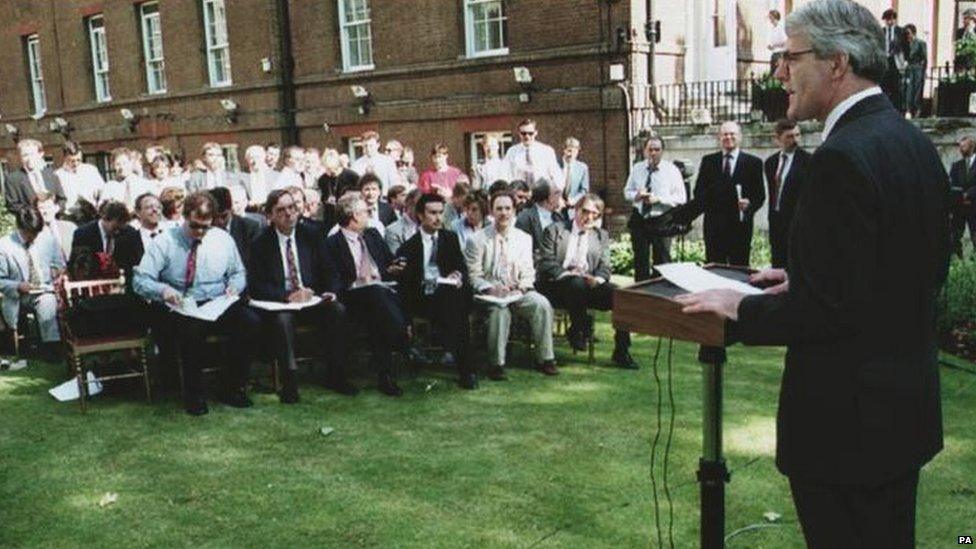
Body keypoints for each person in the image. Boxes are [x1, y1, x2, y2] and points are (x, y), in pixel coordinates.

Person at [675, 2, 948, 545]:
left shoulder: (841, 158)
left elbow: (826, 313)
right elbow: (899, 275)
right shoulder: (911, 142)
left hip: (846, 431)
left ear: (836, 63)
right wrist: (803, 278)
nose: (779, 73)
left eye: (789, 57)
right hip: (902, 415)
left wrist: (741, 307)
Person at [133, 191, 260, 416]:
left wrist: (235, 287)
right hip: (182, 303)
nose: (200, 233)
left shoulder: (222, 239)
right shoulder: (164, 241)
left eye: (206, 227)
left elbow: (239, 272)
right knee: (191, 330)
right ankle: (194, 393)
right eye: (195, 226)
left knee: (250, 322)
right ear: (184, 215)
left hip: (218, 300)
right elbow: (140, 280)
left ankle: (232, 386)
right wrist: (164, 290)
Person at [248, 189, 354, 402]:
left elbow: (330, 271)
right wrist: (287, 295)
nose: (289, 214)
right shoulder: (261, 243)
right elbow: (256, 285)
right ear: (269, 215)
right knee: (283, 320)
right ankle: (289, 380)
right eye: (281, 210)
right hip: (282, 305)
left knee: (338, 310)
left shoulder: (312, 236)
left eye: (292, 208)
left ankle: (337, 374)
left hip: (312, 300)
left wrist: (330, 292)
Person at [537, 194, 637, 368]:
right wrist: (567, 274)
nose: (589, 217)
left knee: (622, 295)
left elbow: (605, 267)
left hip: (587, 286)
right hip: (558, 286)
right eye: (585, 211)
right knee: (576, 283)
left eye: (595, 214)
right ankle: (581, 327)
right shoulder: (555, 229)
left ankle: (621, 351)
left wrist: (597, 280)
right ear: (576, 210)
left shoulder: (601, 236)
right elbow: (546, 262)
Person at [323, 194, 409, 397]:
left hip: (381, 293)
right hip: (352, 294)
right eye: (366, 212)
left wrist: (396, 266)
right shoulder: (332, 244)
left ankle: (385, 376)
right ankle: (402, 336)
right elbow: (332, 276)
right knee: (377, 295)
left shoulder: (372, 235)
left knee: (379, 305)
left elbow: (388, 264)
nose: (370, 214)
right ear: (353, 216)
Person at [465, 191, 557, 379]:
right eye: (499, 209)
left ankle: (546, 358)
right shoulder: (477, 240)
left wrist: (521, 288)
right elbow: (473, 276)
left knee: (542, 304)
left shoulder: (524, 238)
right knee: (500, 311)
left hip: (517, 291)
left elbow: (528, 271)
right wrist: (491, 289)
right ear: (491, 211)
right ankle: (496, 364)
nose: (503, 213)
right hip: (489, 294)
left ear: (514, 211)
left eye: (508, 208)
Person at [395, 193, 478, 389]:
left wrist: (457, 275)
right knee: (455, 309)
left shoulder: (450, 239)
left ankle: (466, 370)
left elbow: (460, 267)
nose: (438, 218)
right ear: (421, 215)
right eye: (432, 213)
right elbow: (406, 284)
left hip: (447, 296)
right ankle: (457, 358)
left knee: (456, 299)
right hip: (422, 298)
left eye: (441, 212)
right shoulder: (409, 246)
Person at [690, 121, 765, 266]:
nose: (728, 137)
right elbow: (698, 191)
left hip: (740, 227)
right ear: (719, 137)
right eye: (724, 134)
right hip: (714, 227)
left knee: (739, 269)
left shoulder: (753, 163)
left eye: (732, 134)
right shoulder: (708, 161)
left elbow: (759, 196)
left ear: (740, 137)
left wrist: (749, 205)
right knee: (714, 269)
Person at [0, 207, 64, 357]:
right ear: (20, 228)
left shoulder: (48, 239)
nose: (34, 237)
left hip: (44, 289)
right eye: (30, 233)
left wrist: (56, 270)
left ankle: (51, 347)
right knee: (43, 301)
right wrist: (17, 286)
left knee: (47, 301)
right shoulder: (4, 246)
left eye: (36, 233)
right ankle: (23, 347)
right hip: (17, 295)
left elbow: (59, 263)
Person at [623, 136, 687, 281]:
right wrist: (637, 196)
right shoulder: (638, 168)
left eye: (657, 149)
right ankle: (641, 296)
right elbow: (627, 192)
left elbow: (681, 197)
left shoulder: (671, 170)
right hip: (640, 218)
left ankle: (660, 296)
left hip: (662, 220)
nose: (653, 153)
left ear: (662, 151)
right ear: (645, 151)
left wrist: (659, 199)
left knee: (663, 261)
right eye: (650, 149)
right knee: (640, 260)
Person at [763, 119, 810, 268]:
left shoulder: (808, 161)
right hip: (776, 221)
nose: (795, 140)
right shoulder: (770, 163)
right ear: (777, 139)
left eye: (797, 135)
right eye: (789, 137)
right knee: (777, 263)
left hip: (797, 222)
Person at [69, 201, 144, 285]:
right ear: (105, 218)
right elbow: (78, 268)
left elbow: (134, 263)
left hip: (120, 285)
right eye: (115, 228)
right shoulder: (83, 234)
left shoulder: (128, 233)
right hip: (93, 285)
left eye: (121, 228)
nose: (117, 232)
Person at [5, 139, 66, 214]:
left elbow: (62, 199)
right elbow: (12, 205)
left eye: (32, 154)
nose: (29, 158)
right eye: (25, 155)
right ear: (20, 157)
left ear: (40, 154)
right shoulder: (13, 179)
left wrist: (55, 209)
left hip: (55, 221)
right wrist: (37, 210)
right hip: (31, 223)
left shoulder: (51, 174)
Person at [503, 119, 562, 190]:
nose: (527, 136)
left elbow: (556, 175)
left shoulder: (546, 151)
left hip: (541, 192)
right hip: (519, 193)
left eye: (530, 133)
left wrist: (557, 193)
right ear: (519, 133)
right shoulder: (512, 152)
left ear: (536, 133)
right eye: (523, 133)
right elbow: (505, 174)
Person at [210, 187, 260, 266]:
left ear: (231, 209)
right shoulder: (205, 229)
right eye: (215, 217)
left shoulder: (249, 228)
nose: (219, 221)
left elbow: (256, 264)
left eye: (224, 216)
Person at [53, 141, 103, 214]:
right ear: (64, 158)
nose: (75, 164)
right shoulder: (57, 175)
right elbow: (54, 200)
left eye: (78, 160)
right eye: (71, 161)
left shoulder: (91, 170)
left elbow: (102, 191)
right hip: (69, 217)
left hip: (91, 214)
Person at [515, 181, 564, 255]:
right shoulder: (525, 218)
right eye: (556, 193)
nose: (560, 195)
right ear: (549, 198)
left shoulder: (559, 217)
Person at [949, 136, 976, 258]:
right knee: (955, 236)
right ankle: (959, 262)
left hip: (974, 207)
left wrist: (968, 194)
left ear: (972, 147)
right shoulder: (956, 166)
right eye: (959, 147)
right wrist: (959, 196)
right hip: (959, 208)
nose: (961, 149)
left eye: (963, 146)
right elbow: (952, 184)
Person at [36, 191, 75, 263]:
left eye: (48, 207)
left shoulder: (70, 227)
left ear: (56, 208)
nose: (46, 211)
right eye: (41, 208)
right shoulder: (36, 235)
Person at [880, 9, 908, 113]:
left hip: (895, 61)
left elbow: (906, 47)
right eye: (887, 19)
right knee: (883, 86)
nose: (889, 22)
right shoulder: (881, 31)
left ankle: (899, 110)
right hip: (885, 60)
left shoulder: (900, 31)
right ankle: (884, 109)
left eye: (891, 19)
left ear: (894, 19)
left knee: (896, 87)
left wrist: (905, 61)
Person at [384, 188, 421, 254]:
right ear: (409, 204)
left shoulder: (431, 227)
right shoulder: (393, 231)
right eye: (419, 206)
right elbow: (397, 259)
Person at [903, 24, 927, 119]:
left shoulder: (921, 43)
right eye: (906, 34)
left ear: (913, 33)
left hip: (918, 69)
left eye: (909, 33)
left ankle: (917, 109)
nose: (907, 35)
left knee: (917, 89)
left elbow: (924, 58)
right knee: (909, 89)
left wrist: (923, 71)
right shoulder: (906, 44)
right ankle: (908, 109)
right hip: (909, 68)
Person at [560, 137, 590, 212]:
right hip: (557, 208)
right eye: (569, 151)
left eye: (574, 152)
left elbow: (584, 190)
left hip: (573, 209)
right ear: (564, 150)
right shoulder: (555, 165)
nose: (571, 154)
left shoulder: (582, 168)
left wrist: (574, 200)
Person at [241, 144, 275, 210]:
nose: (255, 161)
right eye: (251, 158)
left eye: (258, 157)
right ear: (247, 160)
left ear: (264, 158)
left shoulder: (275, 176)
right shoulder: (242, 178)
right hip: (251, 211)